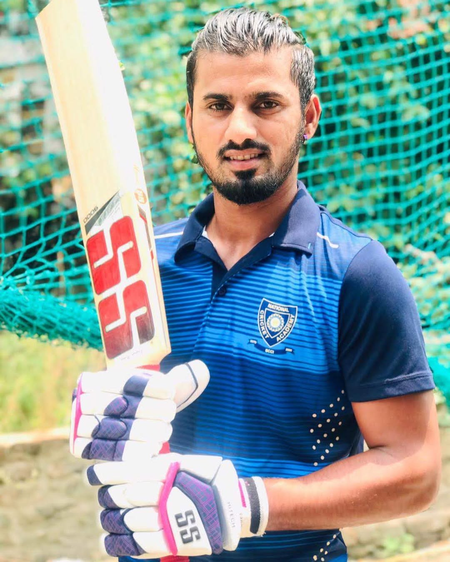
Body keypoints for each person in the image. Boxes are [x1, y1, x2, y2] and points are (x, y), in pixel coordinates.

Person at [73, 8, 441, 562]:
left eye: (266, 104)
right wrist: (104, 421)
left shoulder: (357, 274)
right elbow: (129, 422)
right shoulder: (142, 263)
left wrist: (246, 505)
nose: (239, 129)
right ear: (190, 120)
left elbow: (414, 469)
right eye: (217, 106)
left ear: (309, 116)